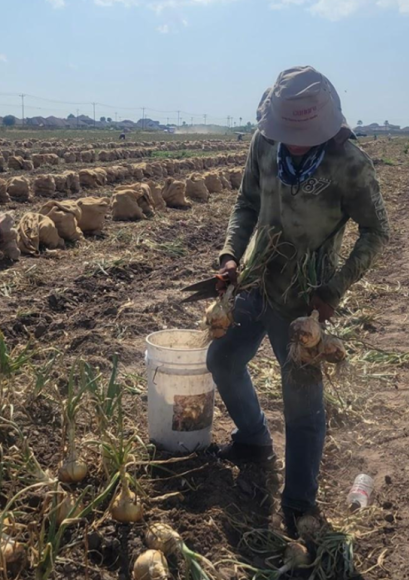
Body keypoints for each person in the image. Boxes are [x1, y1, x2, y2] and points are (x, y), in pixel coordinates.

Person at [207, 66, 389, 535]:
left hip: (305, 297)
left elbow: (376, 230)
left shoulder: (350, 163)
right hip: (254, 281)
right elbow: (246, 203)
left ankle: (299, 498)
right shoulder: (265, 145)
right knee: (223, 358)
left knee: (302, 404)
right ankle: (253, 440)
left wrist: (334, 289)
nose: (295, 141)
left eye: (304, 133)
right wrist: (230, 255)